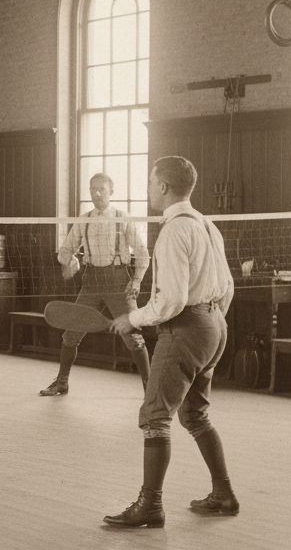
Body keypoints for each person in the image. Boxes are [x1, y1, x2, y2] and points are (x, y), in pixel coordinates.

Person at [104, 155, 237, 528]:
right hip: (215, 325)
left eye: (150, 183)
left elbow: (171, 302)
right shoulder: (207, 225)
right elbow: (227, 287)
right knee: (194, 414)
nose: (148, 189)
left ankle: (150, 506)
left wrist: (130, 319)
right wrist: (210, 324)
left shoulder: (174, 230)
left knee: (154, 418)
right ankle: (223, 494)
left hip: (187, 328)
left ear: (163, 187)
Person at [39, 172, 151, 396]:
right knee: (71, 334)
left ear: (111, 191)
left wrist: (137, 280)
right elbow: (64, 252)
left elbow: (142, 253)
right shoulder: (84, 220)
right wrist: (68, 262)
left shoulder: (122, 217)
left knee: (133, 337)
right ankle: (62, 382)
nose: (97, 194)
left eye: (101, 189)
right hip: (91, 283)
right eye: (92, 189)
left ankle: (150, 388)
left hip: (120, 284)